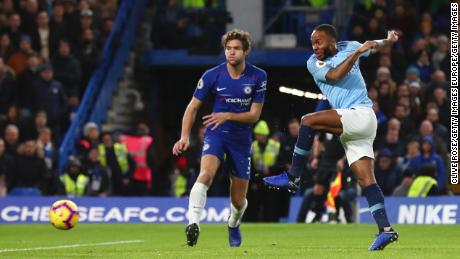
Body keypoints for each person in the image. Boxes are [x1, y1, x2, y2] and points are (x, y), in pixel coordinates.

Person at [263, 24, 399, 250]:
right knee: (366, 180)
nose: (314, 47)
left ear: (332, 40)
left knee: (307, 121)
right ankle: (386, 230)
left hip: (362, 115)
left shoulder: (351, 46)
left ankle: (294, 177)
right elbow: (335, 75)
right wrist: (358, 52)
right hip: (355, 124)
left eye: (319, 42)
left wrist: (388, 40)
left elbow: (375, 45)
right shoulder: (313, 63)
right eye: (312, 43)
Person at [172, 29, 267, 247]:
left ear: (246, 52)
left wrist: (228, 115)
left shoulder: (258, 76)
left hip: (241, 139)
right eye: (228, 48)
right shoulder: (212, 75)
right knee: (206, 174)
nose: (231, 52)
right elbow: (192, 107)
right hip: (216, 133)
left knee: (238, 200)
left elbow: (254, 115)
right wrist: (184, 136)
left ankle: (233, 224)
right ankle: (193, 223)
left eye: (236, 49)